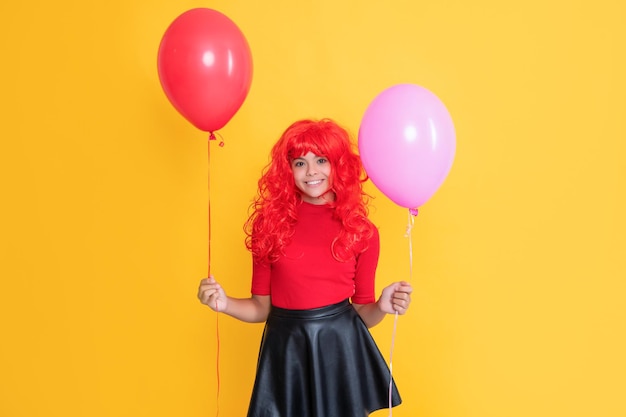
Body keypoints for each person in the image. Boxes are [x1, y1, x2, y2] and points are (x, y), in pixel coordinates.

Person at [197, 118, 413, 417]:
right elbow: (261, 309)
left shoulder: (362, 231)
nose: (312, 171)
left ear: (339, 165)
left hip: (339, 348)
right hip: (286, 349)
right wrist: (223, 303)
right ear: (288, 171)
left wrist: (382, 305)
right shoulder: (269, 226)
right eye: (300, 163)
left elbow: (363, 313)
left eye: (321, 160)